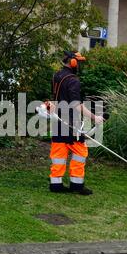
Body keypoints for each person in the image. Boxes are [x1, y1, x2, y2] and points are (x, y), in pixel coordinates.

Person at [48, 51, 104, 195]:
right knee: (80, 152)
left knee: (58, 154)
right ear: (72, 62)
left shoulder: (57, 76)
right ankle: (76, 186)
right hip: (72, 123)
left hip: (58, 121)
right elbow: (76, 104)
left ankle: (56, 185)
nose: (79, 65)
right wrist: (94, 117)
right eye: (78, 62)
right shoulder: (73, 80)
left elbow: (55, 98)